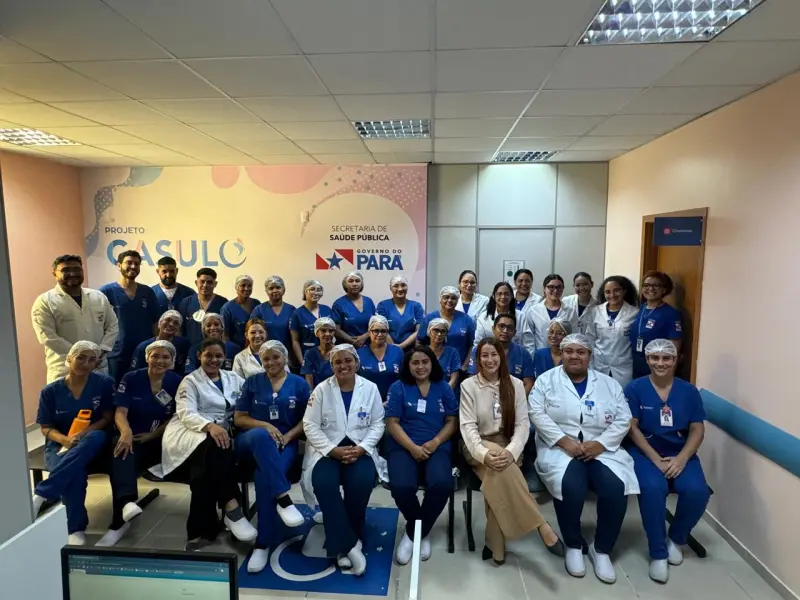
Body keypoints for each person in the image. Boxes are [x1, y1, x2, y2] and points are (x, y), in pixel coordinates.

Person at [529, 334, 639, 584]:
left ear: (590, 355)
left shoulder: (609, 384)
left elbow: (624, 418)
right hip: (560, 448)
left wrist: (600, 444)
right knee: (571, 487)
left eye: (581, 352)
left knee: (615, 488)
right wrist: (564, 441)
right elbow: (536, 412)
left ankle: (602, 549)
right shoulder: (546, 380)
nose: (574, 356)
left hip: (602, 448)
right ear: (562, 354)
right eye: (569, 351)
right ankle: (573, 545)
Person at [460, 338, 563, 565]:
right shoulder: (468, 385)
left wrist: (512, 451)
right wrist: (483, 454)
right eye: (484, 355)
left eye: (494, 354)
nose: (490, 360)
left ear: (502, 357)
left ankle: (495, 546)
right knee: (498, 468)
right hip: (477, 444)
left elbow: (523, 425)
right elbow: (467, 427)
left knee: (496, 479)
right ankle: (541, 524)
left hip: (509, 444)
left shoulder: (515, 384)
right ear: (478, 359)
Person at [625, 339, 710, 583]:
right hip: (644, 452)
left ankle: (677, 539)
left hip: (680, 452)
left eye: (666, 358)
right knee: (653, 488)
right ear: (647, 359)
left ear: (675, 360)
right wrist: (655, 459)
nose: (660, 363)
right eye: (654, 357)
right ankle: (658, 553)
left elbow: (697, 429)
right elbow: (632, 428)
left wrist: (682, 459)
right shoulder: (635, 389)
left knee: (698, 491)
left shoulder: (689, 391)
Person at [160, 338, 258, 550]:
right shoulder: (190, 381)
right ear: (199, 356)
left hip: (222, 433)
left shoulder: (233, 378)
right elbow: (186, 413)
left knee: (202, 474)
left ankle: (200, 532)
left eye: (218, 356)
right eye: (209, 355)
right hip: (190, 432)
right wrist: (210, 426)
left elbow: (249, 397)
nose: (214, 360)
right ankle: (232, 508)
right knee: (214, 447)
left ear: (224, 358)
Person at [301, 344, 387, 576]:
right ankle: (350, 545)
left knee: (360, 483)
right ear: (331, 366)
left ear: (357, 363)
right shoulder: (321, 390)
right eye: (337, 362)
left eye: (348, 360)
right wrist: (332, 450)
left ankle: (343, 543)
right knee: (324, 484)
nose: (343, 365)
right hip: (328, 450)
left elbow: (378, 424)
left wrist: (361, 448)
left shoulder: (370, 388)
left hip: (360, 448)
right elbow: (310, 425)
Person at [97, 340, 182, 547]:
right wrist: (126, 432)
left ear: (172, 360)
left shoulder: (177, 381)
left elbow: (177, 415)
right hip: (132, 437)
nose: (160, 361)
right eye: (155, 356)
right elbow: (120, 411)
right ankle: (123, 512)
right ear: (147, 358)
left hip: (162, 439)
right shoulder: (132, 378)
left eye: (165, 357)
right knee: (121, 450)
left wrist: (152, 436)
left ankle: (125, 506)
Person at [234, 341, 308, 573]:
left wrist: (288, 436)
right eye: (265, 358)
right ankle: (284, 499)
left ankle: (262, 543)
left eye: (275, 357)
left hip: (286, 441)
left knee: (263, 477)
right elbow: (239, 418)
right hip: (251, 440)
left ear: (285, 358)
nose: (270, 362)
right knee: (261, 436)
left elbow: (307, 419)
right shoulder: (252, 382)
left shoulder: (299, 384)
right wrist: (266, 426)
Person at [31, 341, 113, 545]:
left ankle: (43, 491)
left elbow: (107, 417)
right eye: (81, 358)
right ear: (69, 358)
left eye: (92, 360)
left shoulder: (103, 383)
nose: (86, 363)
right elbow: (46, 428)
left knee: (97, 436)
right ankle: (76, 528)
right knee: (74, 473)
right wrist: (65, 440)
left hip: (91, 442)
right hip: (59, 443)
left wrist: (84, 433)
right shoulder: (50, 392)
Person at [385, 346, 458, 564]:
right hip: (403, 445)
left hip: (437, 445)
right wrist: (412, 448)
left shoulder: (443, 387)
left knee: (442, 485)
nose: (420, 367)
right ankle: (421, 530)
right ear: (408, 365)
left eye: (425, 362)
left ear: (432, 363)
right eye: (415, 362)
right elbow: (392, 423)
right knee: (401, 487)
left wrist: (435, 442)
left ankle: (414, 533)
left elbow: (452, 421)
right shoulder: (398, 387)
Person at [32, 254, 119, 383]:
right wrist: (80, 356)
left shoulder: (98, 297)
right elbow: (47, 337)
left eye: (77, 269)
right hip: (64, 370)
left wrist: (101, 350)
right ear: (54, 274)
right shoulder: (45, 301)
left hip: (98, 366)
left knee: (100, 395)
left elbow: (113, 326)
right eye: (66, 270)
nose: (73, 273)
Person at [100, 250, 160, 384]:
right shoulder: (106, 292)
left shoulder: (147, 292)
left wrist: (155, 347)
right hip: (116, 353)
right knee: (115, 389)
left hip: (144, 352)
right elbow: (98, 323)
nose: (133, 266)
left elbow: (155, 323)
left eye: (137, 264)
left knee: (142, 387)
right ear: (119, 265)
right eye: (129, 262)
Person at [587, 276, 639, 387]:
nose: (612, 295)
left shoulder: (634, 313)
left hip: (623, 366)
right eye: (608, 292)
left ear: (624, 291)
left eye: (616, 290)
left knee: (622, 395)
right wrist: (589, 363)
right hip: (599, 364)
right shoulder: (596, 311)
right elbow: (590, 339)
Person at [630, 271, 683, 379]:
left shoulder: (670, 314)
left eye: (656, 285)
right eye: (646, 285)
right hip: (635, 364)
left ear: (664, 289)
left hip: (657, 366)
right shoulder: (641, 309)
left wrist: (667, 378)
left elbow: (674, 350)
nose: (651, 288)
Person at [469, 313, 535, 393]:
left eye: (509, 328)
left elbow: (528, 384)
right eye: (501, 326)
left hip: (514, 396)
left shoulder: (523, 353)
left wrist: (516, 399)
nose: (505, 331)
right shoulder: (479, 350)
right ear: (493, 329)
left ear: (514, 332)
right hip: (483, 395)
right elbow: (472, 380)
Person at [418, 286, 475, 370]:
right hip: (431, 368)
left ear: (457, 301)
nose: (449, 300)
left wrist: (465, 366)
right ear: (440, 299)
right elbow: (419, 341)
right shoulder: (429, 318)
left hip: (458, 368)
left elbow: (471, 345)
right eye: (446, 297)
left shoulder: (466, 320)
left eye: (453, 298)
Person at [474, 282, 533, 355]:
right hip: (490, 358)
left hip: (516, 357)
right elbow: (478, 343)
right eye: (499, 294)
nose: (503, 297)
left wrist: (527, 359)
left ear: (511, 296)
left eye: (506, 294)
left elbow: (528, 343)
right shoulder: (483, 318)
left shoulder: (521, 317)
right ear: (493, 296)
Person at [357, 315, 404, 402]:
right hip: (367, 401)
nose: (380, 334)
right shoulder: (359, 353)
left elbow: (404, 378)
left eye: (383, 331)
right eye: (376, 331)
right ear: (369, 332)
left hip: (392, 401)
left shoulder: (397, 352)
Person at [177, 268, 229, 346]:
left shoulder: (223, 303)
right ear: (196, 283)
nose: (205, 285)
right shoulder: (186, 303)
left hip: (215, 348)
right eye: (202, 282)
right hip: (190, 348)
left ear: (215, 284)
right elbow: (179, 328)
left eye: (209, 282)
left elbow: (226, 330)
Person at [130, 309, 191, 376]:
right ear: (159, 323)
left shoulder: (184, 345)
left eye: (176, 323)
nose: (171, 324)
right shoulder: (143, 347)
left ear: (178, 328)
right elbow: (135, 373)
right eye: (168, 320)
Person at [528, 274, 578, 351]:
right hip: (540, 353)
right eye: (551, 287)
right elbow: (529, 338)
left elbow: (573, 336)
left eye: (559, 287)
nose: (555, 290)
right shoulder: (533, 311)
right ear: (544, 288)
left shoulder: (571, 311)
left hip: (563, 353)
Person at [290, 279, 332, 365]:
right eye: (312, 289)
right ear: (305, 292)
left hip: (327, 354)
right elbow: (295, 341)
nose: (316, 293)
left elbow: (334, 332)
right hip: (307, 355)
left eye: (319, 290)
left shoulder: (327, 310)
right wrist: (302, 361)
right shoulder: (297, 314)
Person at [376, 275, 424, 350]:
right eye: (396, 286)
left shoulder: (416, 306)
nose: (400, 289)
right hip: (388, 349)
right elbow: (382, 329)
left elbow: (419, 331)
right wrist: (394, 348)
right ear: (391, 288)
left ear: (407, 287)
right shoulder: (383, 306)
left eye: (403, 285)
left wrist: (402, 346)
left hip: (411, 349)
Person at [251, 275, 296, 354]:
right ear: (266, 291)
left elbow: (296, 337)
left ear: (283, 289)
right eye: (271, 288)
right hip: (265, 354)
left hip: (287, 354)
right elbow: (252, 334)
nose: (275, 290)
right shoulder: (259, 310)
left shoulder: (292, 310)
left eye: (278, 287)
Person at [332, 271, 376, 348]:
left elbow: (375, 324)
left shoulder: (369, 301)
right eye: (351, 281)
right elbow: (336, 329)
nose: (354, 284)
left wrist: (365, 337)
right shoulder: (339, 304)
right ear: (345, 284)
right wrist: (353, 341)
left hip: (367, 346)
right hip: (345, 347)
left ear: (361, 284)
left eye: (357, 281)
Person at [220, 275, 261, 348]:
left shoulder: (257, 304)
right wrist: (230, 349)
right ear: (236, 287)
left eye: (249, 286)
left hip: (256, 347)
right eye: (243, 285)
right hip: (236, 349)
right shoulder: (227, 308)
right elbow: (224, 334)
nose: (246, 288)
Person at [426, 318, 461, 391]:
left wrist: (443, 393)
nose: (439, 334)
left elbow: (454, 379)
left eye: (442, 331)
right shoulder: (422, 352)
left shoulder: (452, 353)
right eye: (436, 330)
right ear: (429, 331)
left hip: (447, 392)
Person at [301, 317, 336, 388]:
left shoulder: (340, 351)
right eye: (323, 330)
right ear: (316, 333)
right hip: (317, 391)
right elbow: (309, 379)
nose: (327, 334)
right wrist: (312, 394)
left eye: (331, 331)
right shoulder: (310, 354)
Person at [562, 272, 597, 336]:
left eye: (585, 284)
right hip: (568, 340)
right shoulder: (566, 301)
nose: (582, 288)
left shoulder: (597, 306)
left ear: (592, 284)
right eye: (578, 285)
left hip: (589, 341)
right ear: (574, 286)